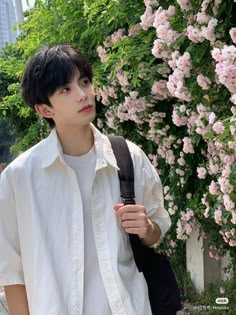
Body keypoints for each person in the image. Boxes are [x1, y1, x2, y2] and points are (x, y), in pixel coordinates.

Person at [0, 44, 171, 315]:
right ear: (45, 109)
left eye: (85, 82)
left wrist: (148, 228)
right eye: (65, 90)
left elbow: (157, 228)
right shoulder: (19, 179)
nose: (83, 95)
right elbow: (11, 273)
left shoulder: (127, 157)